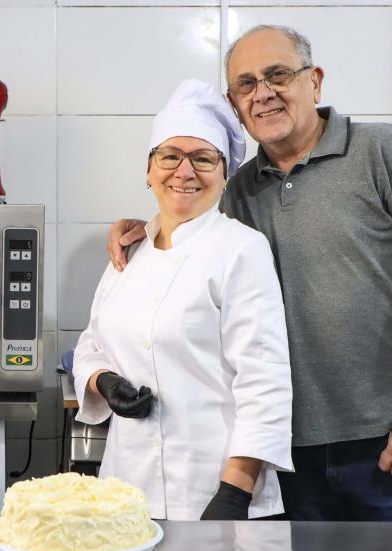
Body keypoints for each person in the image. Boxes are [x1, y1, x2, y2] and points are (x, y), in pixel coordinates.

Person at [107, 25, 392, 521]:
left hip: (389, 448)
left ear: (315, 81)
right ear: (234, 103)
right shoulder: (239, 190)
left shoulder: (381, 151)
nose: (262, 93)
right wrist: (142, 230)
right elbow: (189, 230)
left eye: (278, 75)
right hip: (284, 459)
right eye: (246, 84)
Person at [73, 79, 293, 521]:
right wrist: (103, 381)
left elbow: (263, 379)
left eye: (203, 159)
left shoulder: (240, 249)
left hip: (210, 489)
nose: (184, 172)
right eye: (170, 156)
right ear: (149, 168)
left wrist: (235, 493)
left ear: (224, 174)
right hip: (127, 491)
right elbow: (91, 343)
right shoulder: (130, 250)